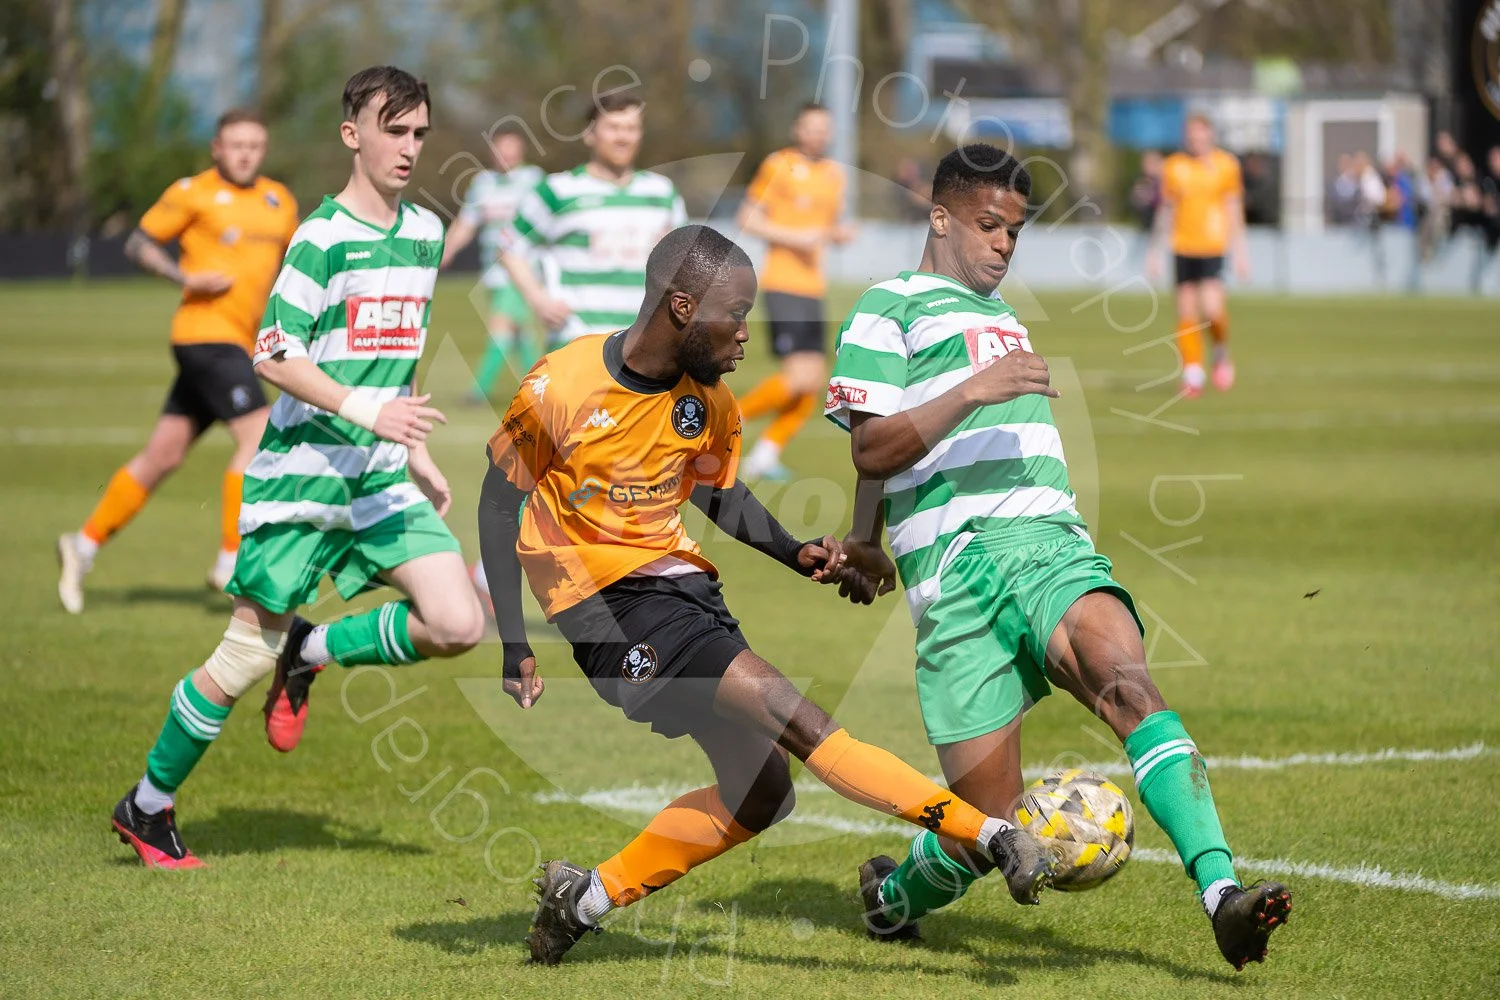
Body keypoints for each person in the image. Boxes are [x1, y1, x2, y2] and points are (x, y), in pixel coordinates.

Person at [478, 224, 1055, 966]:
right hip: (606, 613)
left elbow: (718, 493)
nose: (748, 334)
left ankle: (582, 899)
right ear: (683, 307)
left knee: (762, 793)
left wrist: (795, 551)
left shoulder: (710, 402)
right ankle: (992, 835)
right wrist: (515, 644)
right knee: (796, 717)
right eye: (737, 314)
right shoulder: (560, 385)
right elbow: (498, 507)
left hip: (684, 595)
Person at [827, 143, 1292, 972]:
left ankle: (1223, 896)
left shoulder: (1004, 318)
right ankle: (892, 898)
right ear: (940, 219)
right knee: (989, 826)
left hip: (1047, 544)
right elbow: (872, 447)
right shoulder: (885, 308)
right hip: (952, 577)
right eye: (989, 224)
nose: (1004, 243)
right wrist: (870, 534)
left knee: (1129, 683)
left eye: (1016, 230)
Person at [110, 66, 485, 869]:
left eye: (420, 133)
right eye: (393, 130)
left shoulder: (425, 232)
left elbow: (396, 357)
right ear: (353, 134)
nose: (409, 147)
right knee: (244, 656)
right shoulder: (319, 237)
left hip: (379, 476)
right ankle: (147, 804)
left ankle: (310, 652)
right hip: (303, 476)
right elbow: (275, 355)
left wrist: (413, 446)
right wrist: (370, 414)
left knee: (458, 623)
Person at [56, 110, 299, 613]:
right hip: (204, 336)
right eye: (236, 145)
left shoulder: (279, 201)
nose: (246, 154)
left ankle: (82, 545)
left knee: (162, 456)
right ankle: (230, 558)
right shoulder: (194, 193)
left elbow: (292, 270)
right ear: (216, 148)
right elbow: (138, 242)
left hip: (241, 343)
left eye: (255, 145)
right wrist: (184, 278)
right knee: (259, 438)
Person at [495, 91, 686, 347]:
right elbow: (508, 246)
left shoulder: (663, 193)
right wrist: (539, 301)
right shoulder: (557, 191)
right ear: (589, 134)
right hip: (577, 341)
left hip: (645, 344)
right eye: (613, 128)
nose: (623, 137)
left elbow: (686, 264)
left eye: (631, 128)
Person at [733, 103, 855, 481]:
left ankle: (764, 456)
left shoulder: (834, 174)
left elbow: (825, 227)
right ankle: (727, 419)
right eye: (810, 127)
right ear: (797, 129)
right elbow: (747, 218)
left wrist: (837, 234)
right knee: (799, 376)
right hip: (783, 282)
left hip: (813, 286)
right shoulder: (778, 165)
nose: (817, 134)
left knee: (813, 382)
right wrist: (793, 237)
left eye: (824, 128)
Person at [440, 125, 546, 402]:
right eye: (501, 148)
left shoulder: (533, 180)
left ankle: (478, 392)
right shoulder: (483, 183)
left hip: (523, 270)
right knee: (518, 334)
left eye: (511, 148)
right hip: (493, 272)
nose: (506, 154)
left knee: (501, 326)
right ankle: (541, 388)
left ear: (521, 150)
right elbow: (467, 223)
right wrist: (446, 251)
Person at [1148, 115, 1249, 397]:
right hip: (1183, 247)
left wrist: (1241, 252)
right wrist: (1154, 250)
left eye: (1200, 134)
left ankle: (1220, 351)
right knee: (1186, 311)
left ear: (1210, 134)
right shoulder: (1174, 166)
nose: (1195, 140)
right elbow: (1166, 208)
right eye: (1191, 135)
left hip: (1213, 246)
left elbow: (1233, 207)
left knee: (1213, 310)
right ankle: (1193, 373)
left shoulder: (1226, 165)